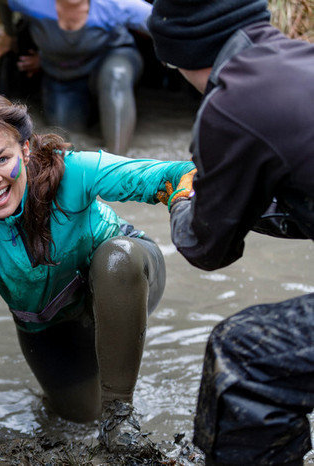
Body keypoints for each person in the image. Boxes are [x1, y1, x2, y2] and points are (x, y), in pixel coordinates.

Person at [0, 95, 195, 442]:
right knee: (77, 419)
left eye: (2, 159)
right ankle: (94, 391)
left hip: (128, 275)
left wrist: (183, 204)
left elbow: (173, 173)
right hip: (46, 322)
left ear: (25, 151)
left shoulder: (73, 171)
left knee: (117, 258)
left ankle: (119, 417)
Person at [147, 1, 314, 464]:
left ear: (173, 54)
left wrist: (183, 199)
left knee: (242, 353)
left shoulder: (230, 106)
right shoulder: (300, 62)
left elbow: (207, 249)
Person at [0, 0, 153, 154]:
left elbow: (164, 22)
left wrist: (173, 61)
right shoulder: (32, 3)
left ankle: (119, 162)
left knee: (115, 75)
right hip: (63, 74)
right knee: (66, 139)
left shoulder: (115, 4)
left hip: (111, 59)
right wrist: (10, 33)